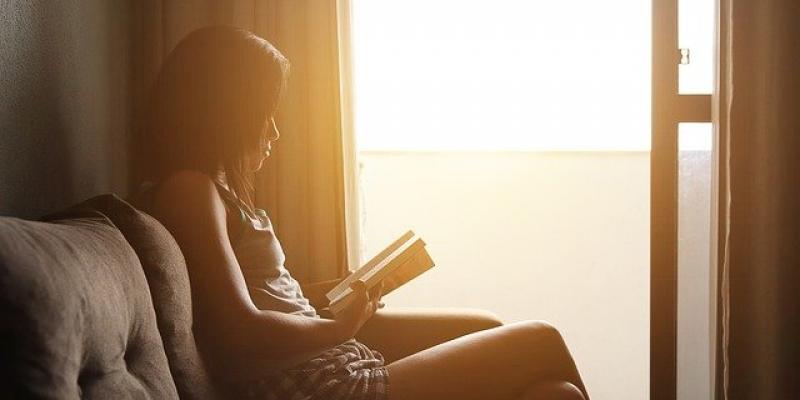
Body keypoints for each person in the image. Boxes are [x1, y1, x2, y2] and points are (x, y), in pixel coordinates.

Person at [135, 26, 590, 400]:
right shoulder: (190, 191)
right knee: (542, 338)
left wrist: (339, 291)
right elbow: (239, 328)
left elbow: (257, 297)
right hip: (316, 387)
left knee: (555, 392)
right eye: (263, 115)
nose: (273, 132)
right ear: (226, 113)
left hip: (325, 364)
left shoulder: (215, 191)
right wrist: (338, 327)